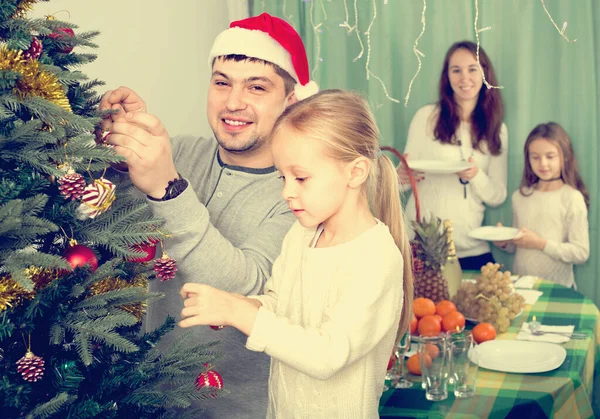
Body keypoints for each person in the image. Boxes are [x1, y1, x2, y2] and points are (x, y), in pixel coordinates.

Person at [99, 13, 318, 419]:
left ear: (291, 101)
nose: (233, 102)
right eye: (222, 82)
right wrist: (117, 146)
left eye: (257, 87)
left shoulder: (302, 192)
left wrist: (168, 187)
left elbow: (246, 287)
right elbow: (103, 225)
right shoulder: (179, 152)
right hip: (145, 398)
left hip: (241, 410)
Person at [178, 89, 414, 418]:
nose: (287, 192)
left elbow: (328, 354)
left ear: (355, 172)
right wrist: (240, 306)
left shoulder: (375, 257)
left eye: (301, 178)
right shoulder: (302, 234)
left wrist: (242, 314)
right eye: (283, 177)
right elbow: (282, 304)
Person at [398, 40, 507, 270]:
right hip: (423, 246)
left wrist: (475, 175)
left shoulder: (497, 128)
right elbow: (401, 184)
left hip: (471, 247)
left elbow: (497, 195)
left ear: (485, 73)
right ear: (447, 77)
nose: (464, 78)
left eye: (472, 69)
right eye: (456, 70)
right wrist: (400, 177)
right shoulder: (426, 117)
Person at [494, 122, 589, 288]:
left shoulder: (572, 198)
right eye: (535, 157)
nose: (543, 164)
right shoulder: (520, 196)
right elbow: (516, 246)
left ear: (565, 157)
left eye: (550, 156)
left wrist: (540, 243)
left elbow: (581, 253)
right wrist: (504, 242)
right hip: (521, 286)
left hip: (557, 287)